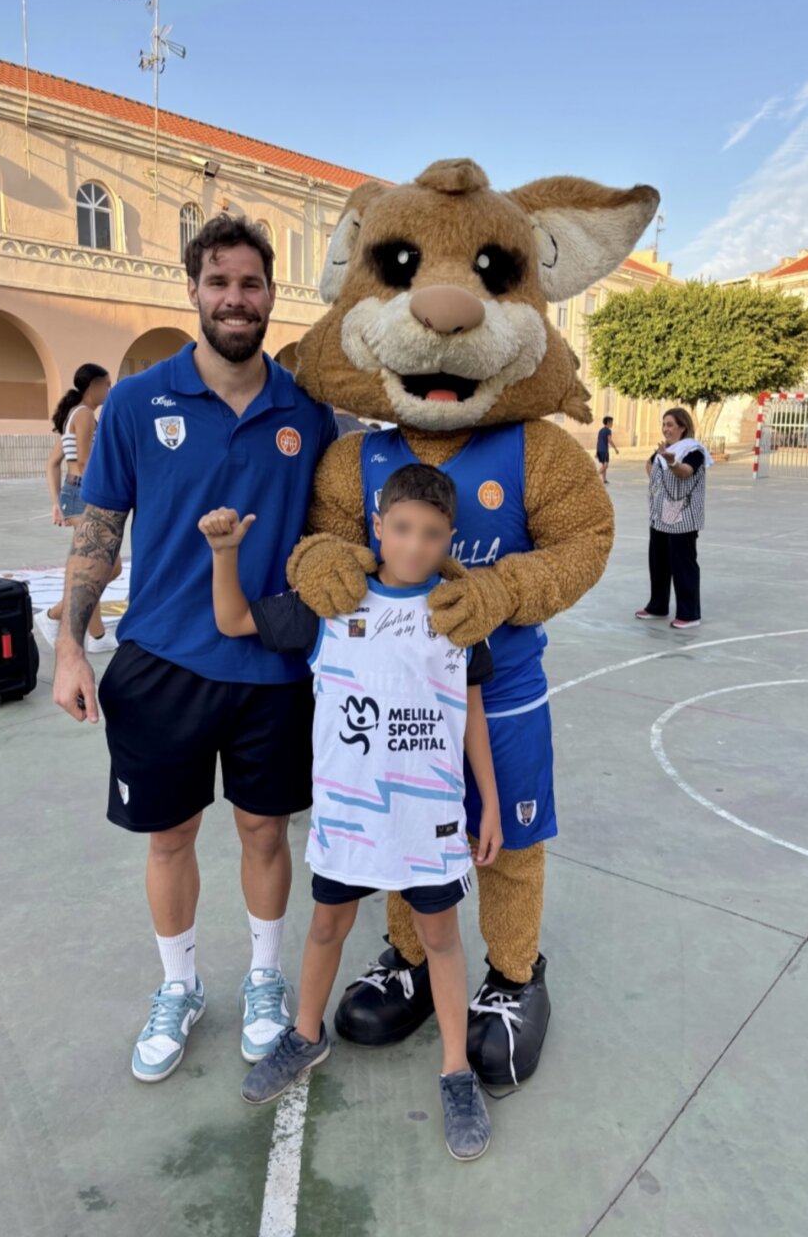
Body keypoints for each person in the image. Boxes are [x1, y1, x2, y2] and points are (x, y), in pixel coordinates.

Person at [51, 214, 338, 1083]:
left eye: (250, 283)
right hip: (162, 661)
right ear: (193, 291)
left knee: (264, 832)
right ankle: (179, 986)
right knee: (169, 838)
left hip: (273, 668)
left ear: (271, 295)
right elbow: (99, 529)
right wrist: (69, 647)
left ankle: (263, 978)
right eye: (219, 282)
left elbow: (330, 540)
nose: (235, 299)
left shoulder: (308, 413)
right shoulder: (139, 402)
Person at [198, 463, 504, 1160]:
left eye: (432, 534)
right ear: (378, 527)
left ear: (450, 537)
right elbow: (232, 619)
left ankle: (455, 1072)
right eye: (403, 528)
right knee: (327, 926)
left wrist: (486, 801)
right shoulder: (331, 603)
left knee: (442, 938)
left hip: (428, 816)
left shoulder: (459, 613)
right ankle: (306, 1036)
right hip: (350, 812)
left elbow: (474, 716)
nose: (416, 545)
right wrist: (224, 553)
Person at [37, 363, 121, 654]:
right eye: (106, 384)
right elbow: (85, 463)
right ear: (92, 386)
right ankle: (53, 615)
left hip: (74, 495)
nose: (109, 390)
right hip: (86, 496)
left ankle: (97, 636)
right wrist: (105, 497)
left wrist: (57, 503)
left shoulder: (74, 414)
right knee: (107, 566)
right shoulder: (84, 414)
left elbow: (53, 463)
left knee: (92, 565)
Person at [636, 407, 713, 630]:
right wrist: (657, 477)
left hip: (683, 518)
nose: (665, 429)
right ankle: (657, 606)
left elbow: (685, 472)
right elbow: (650, 463)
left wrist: (671, 463)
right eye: (664, 424)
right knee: (658, 563)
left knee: (683, 565)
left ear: (683, 427)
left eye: (670, 424)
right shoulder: (666, 450)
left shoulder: (693, 451)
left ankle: (689, 614)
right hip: (661, 515)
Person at [595, 415, 619, 484]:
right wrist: (615, 449)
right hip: (604, 450)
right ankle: (595, 477)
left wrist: (597, 452)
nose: (612, 424)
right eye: (611, 422)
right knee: (606, 466)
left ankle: (604, 479)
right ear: (608, 422)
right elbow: (610, 440)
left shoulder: (600, 430)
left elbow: (598, 441)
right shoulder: (608, 431)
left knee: (603, 465)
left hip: (600, 449)